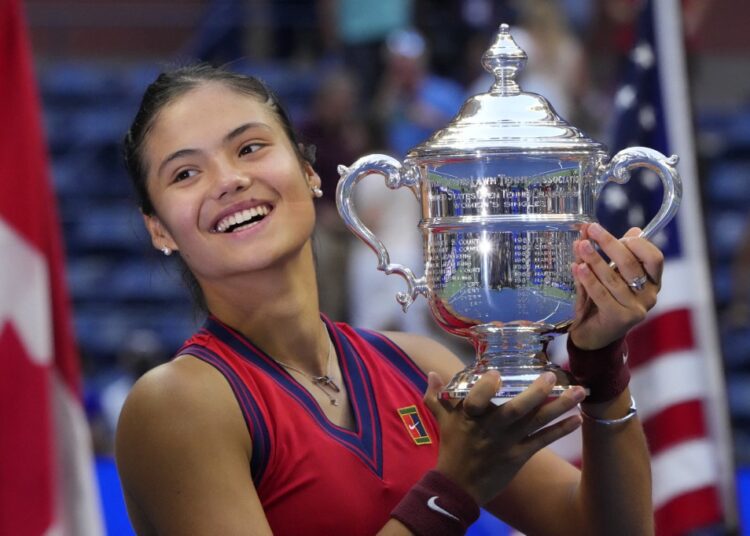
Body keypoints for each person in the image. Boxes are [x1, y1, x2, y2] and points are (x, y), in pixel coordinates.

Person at [115, 64, 662, 535]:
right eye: (186, 173)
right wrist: (450, 491)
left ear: (309, 173)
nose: (229, 180)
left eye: (250, 147)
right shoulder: (176, 404)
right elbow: (451, 494)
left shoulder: (414, 363)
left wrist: (600, 363)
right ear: (159, 228)